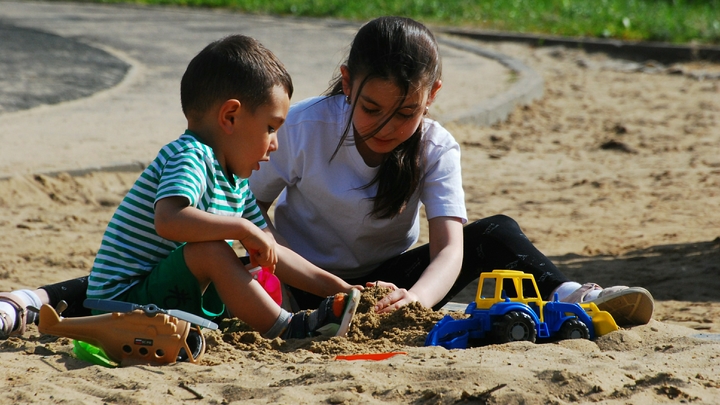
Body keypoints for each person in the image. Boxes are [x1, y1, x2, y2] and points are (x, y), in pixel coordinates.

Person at [248, 16, 654, 326]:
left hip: (385, 288)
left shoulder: (436, 146)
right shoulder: (302, 127)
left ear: (431, 96)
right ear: (349, 84)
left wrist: (415, 300)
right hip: (297, 282)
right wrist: (280, 261)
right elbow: (247, 205)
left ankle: (573, 295)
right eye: (371, 109)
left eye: (405, 113)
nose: (386, 128)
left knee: (497, 231)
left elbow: (449, 251)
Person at [0, 34, 360, 341]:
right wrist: (243, 227)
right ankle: (289, 330)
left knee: (242, 256)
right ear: (230, 117)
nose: (276, 143)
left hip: (160, 295)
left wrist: (342, 288)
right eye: (271, 127)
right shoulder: (190, 155)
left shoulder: (234, 181)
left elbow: (276, 253)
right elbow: (169, 220)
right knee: (213, 251)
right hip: (120, 302)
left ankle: (291, 321)